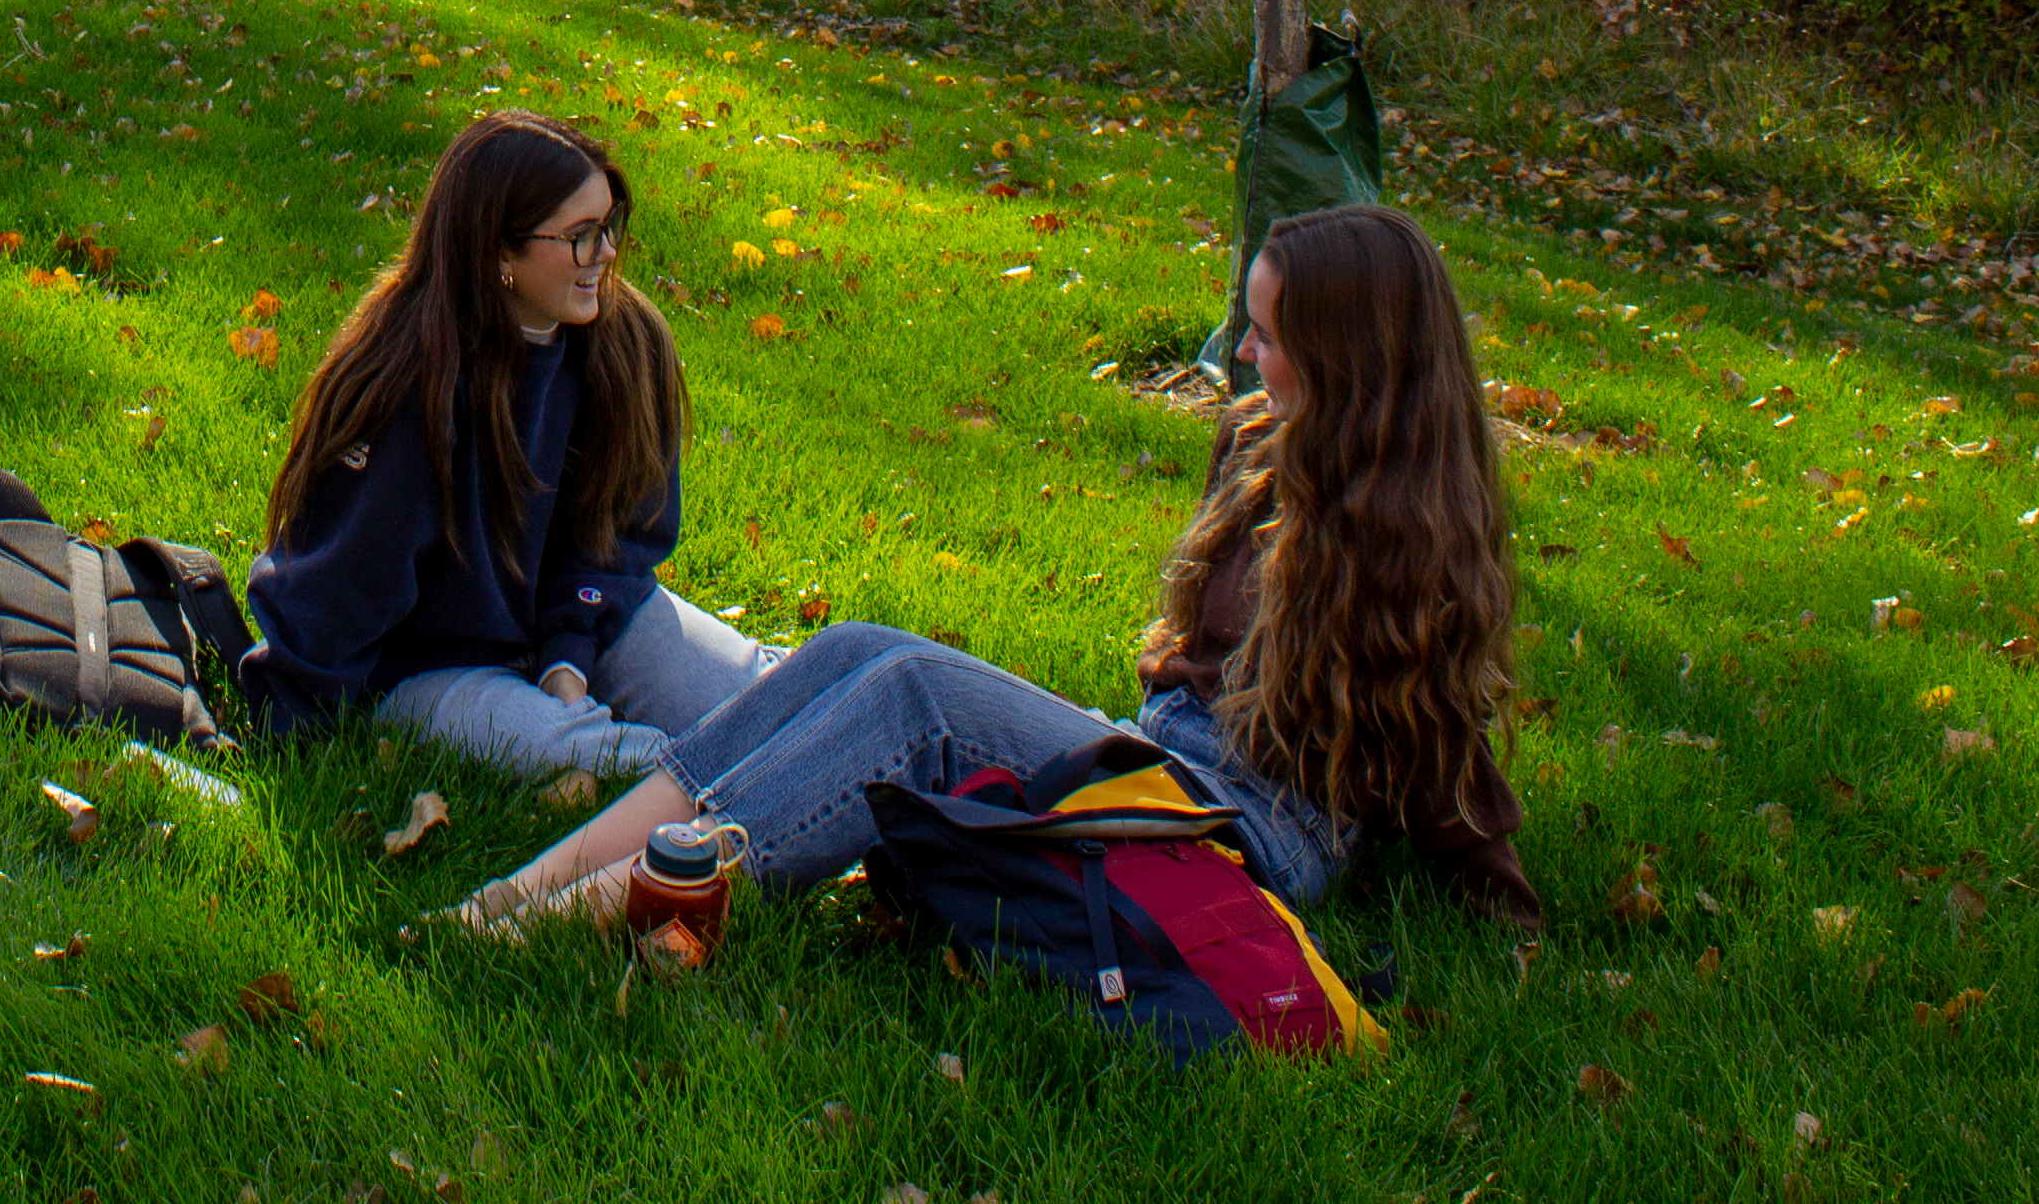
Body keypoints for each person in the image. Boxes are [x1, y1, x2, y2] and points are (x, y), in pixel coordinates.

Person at [448, 201, 1537, 934]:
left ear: (1351, 358)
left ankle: (589, 914)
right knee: (854, 651)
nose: (1243, 357)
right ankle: (526, 886)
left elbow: (1442, 748)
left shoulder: (1407, 533)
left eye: (1267, 335)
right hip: (1162, 759)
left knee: (916, 700)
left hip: (1243, 838)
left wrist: (1503, 896)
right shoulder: (1260, 440)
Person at [242, 112, 771, 781]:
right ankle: (725, 785)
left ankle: (883, 740)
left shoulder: (629, 341)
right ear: (499, 252)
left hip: (589, 615)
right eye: (580, 237)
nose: (606, 253)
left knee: (759, 702)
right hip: (428, 662)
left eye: (609, 226)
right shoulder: (410, 378)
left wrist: (568, 657)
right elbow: (346, 582)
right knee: (580, 751)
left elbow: (625, 539)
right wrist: (292, 716)